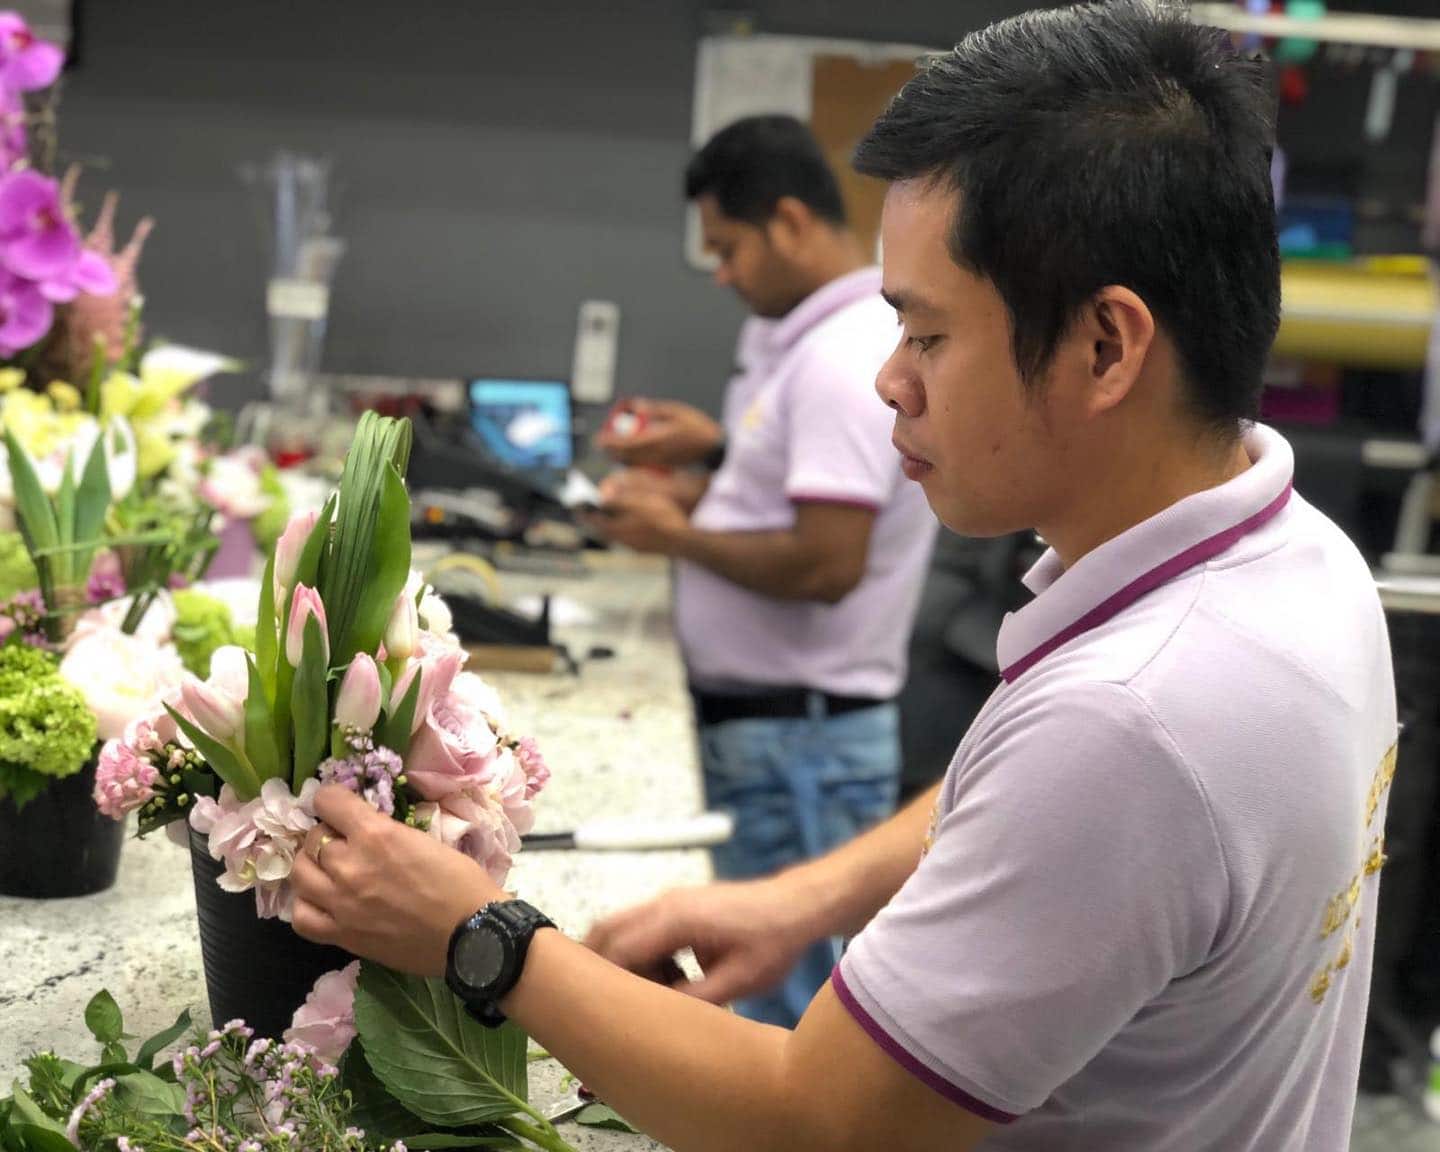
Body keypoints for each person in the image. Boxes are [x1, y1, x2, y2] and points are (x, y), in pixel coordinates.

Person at [292, 4, 1398, 1149]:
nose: (888, 383)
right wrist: (801, 899)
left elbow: (818, 1122)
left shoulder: (1132, 720)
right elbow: (1041, 819)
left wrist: (486, 939)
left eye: (926, 335)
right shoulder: (1304, 560)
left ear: (1105, 346)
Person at [586, 114, 939, 1027]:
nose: (723, 272)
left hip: (798, 748)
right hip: (786, 741)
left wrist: (674, 536)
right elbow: (785, 506)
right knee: (762, 1004)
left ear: (790, 221)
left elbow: (827, 562)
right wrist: (711, 465)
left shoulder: (836, 357)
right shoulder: (804, 344)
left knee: (786, 1019)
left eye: (730, 246)